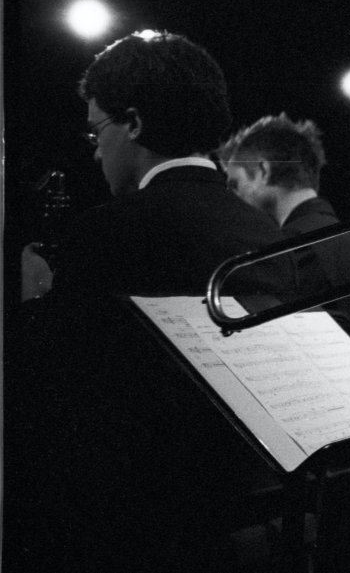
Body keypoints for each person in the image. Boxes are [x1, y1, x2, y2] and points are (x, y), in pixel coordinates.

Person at [8, 31, 298, 572]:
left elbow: (63, 395)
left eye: (98, 129)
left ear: (135, 124)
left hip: (140, 532)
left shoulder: (104, 233)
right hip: (250, 526)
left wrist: (31, 304)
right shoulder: (270, 232)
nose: (95, 148)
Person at [218, 113, 350, 359]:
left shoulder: (292, 250)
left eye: (235, 184)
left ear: (264, 170)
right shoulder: (347, 240)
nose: (234, 196)